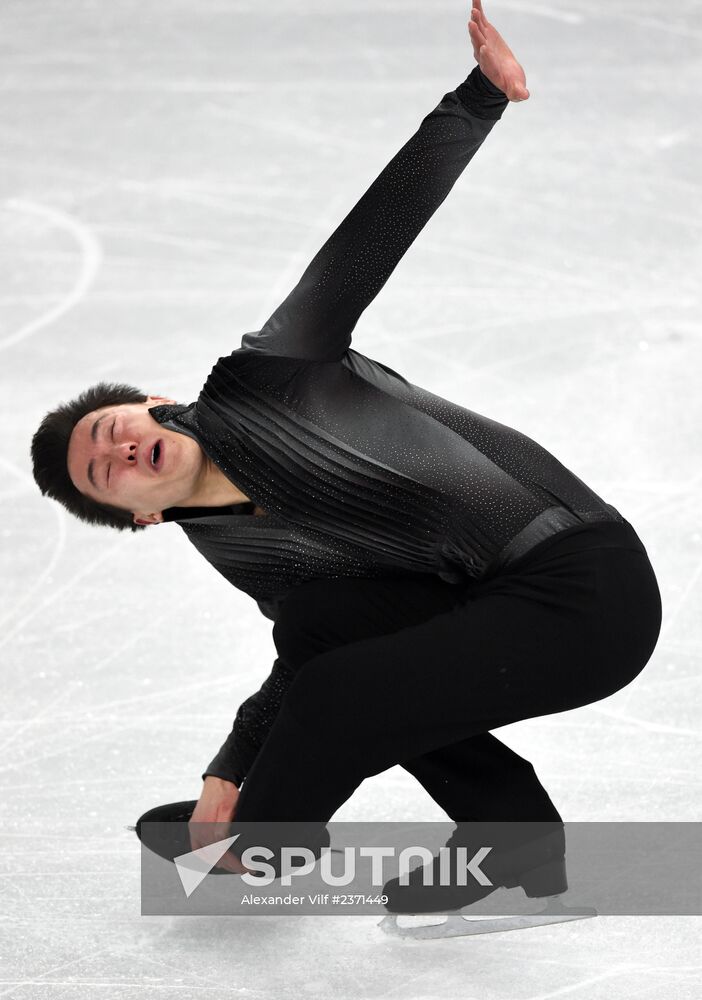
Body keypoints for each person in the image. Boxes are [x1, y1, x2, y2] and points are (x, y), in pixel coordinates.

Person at [31, 3, 661, 906]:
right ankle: (511, 835)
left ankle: (264, 853)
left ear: (156, 402)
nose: (121, 446)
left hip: (584, 585)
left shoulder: (269, 374)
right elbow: (317, 647)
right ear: (141, 515)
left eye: (113, 427)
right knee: (324, 638)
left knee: (342, 697)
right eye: (106, 469)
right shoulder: (227, 542)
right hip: (499, 606)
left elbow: (367, 242)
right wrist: (230, 767)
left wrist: (479, 99)